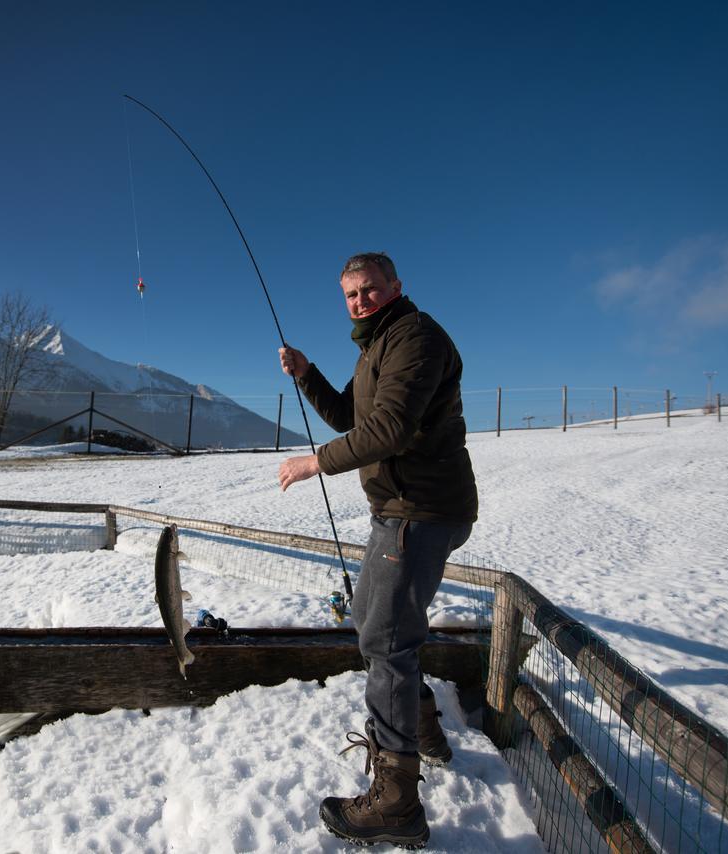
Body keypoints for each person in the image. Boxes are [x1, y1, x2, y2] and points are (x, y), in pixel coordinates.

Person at [278, 251, 478, 849]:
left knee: (386, 641)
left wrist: (315, 462)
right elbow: (350, 416)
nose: (359, 301)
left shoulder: (415, 337)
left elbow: (388, 429)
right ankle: (425, 733)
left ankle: (396, 802)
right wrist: (309, 374)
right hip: (398, 511)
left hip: (421, 509)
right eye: (350, 295)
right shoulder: (377, 349)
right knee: (370, 622)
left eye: (369, 289)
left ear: (395, 285)